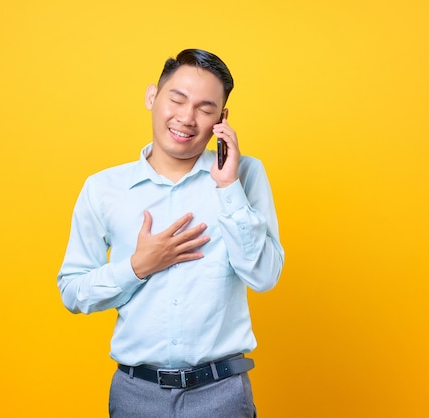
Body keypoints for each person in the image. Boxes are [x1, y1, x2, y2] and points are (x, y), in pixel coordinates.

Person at [57, 48, 284, 417]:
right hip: (136, 395)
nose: (186, 117)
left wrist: (229, 189)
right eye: (177, 100)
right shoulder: (103, 189)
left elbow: (264, 276)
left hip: (222, 394)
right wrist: (136, 266)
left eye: (205, 108)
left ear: (221, 120)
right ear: (152, 97)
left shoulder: (245, 174)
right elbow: (72, 290)